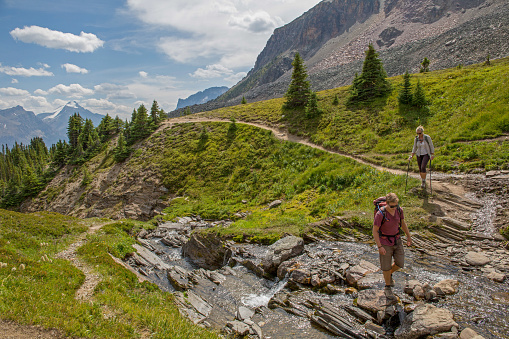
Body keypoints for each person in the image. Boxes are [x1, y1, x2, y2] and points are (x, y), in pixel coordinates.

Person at [373, 193, 412, 299]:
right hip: (384, 241)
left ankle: (389, 273)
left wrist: (408, 236)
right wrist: (379, 247)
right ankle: (388, 286)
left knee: (400, 263)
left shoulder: (399, 210)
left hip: (397, 239)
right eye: (392, 206)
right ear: (387, 204)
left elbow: (403, 223)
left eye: (396, 205)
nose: (394, 208)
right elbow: (375, 231)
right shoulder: (381, 214)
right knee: (385, 266)